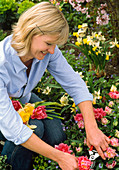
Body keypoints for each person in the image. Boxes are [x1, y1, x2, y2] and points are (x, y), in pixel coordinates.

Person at [0, 1, 110, 170]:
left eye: (55, 45)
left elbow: (74, 83)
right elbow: (14, 128)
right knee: (35, 131)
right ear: (31, 32)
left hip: (23, 99)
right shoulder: (2, 63)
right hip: (3, 112)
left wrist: (91, 127)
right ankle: (9, 164)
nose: (52, 51)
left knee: (57, 136)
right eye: (49, 44)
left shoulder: (47, 51)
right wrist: (58, 157)